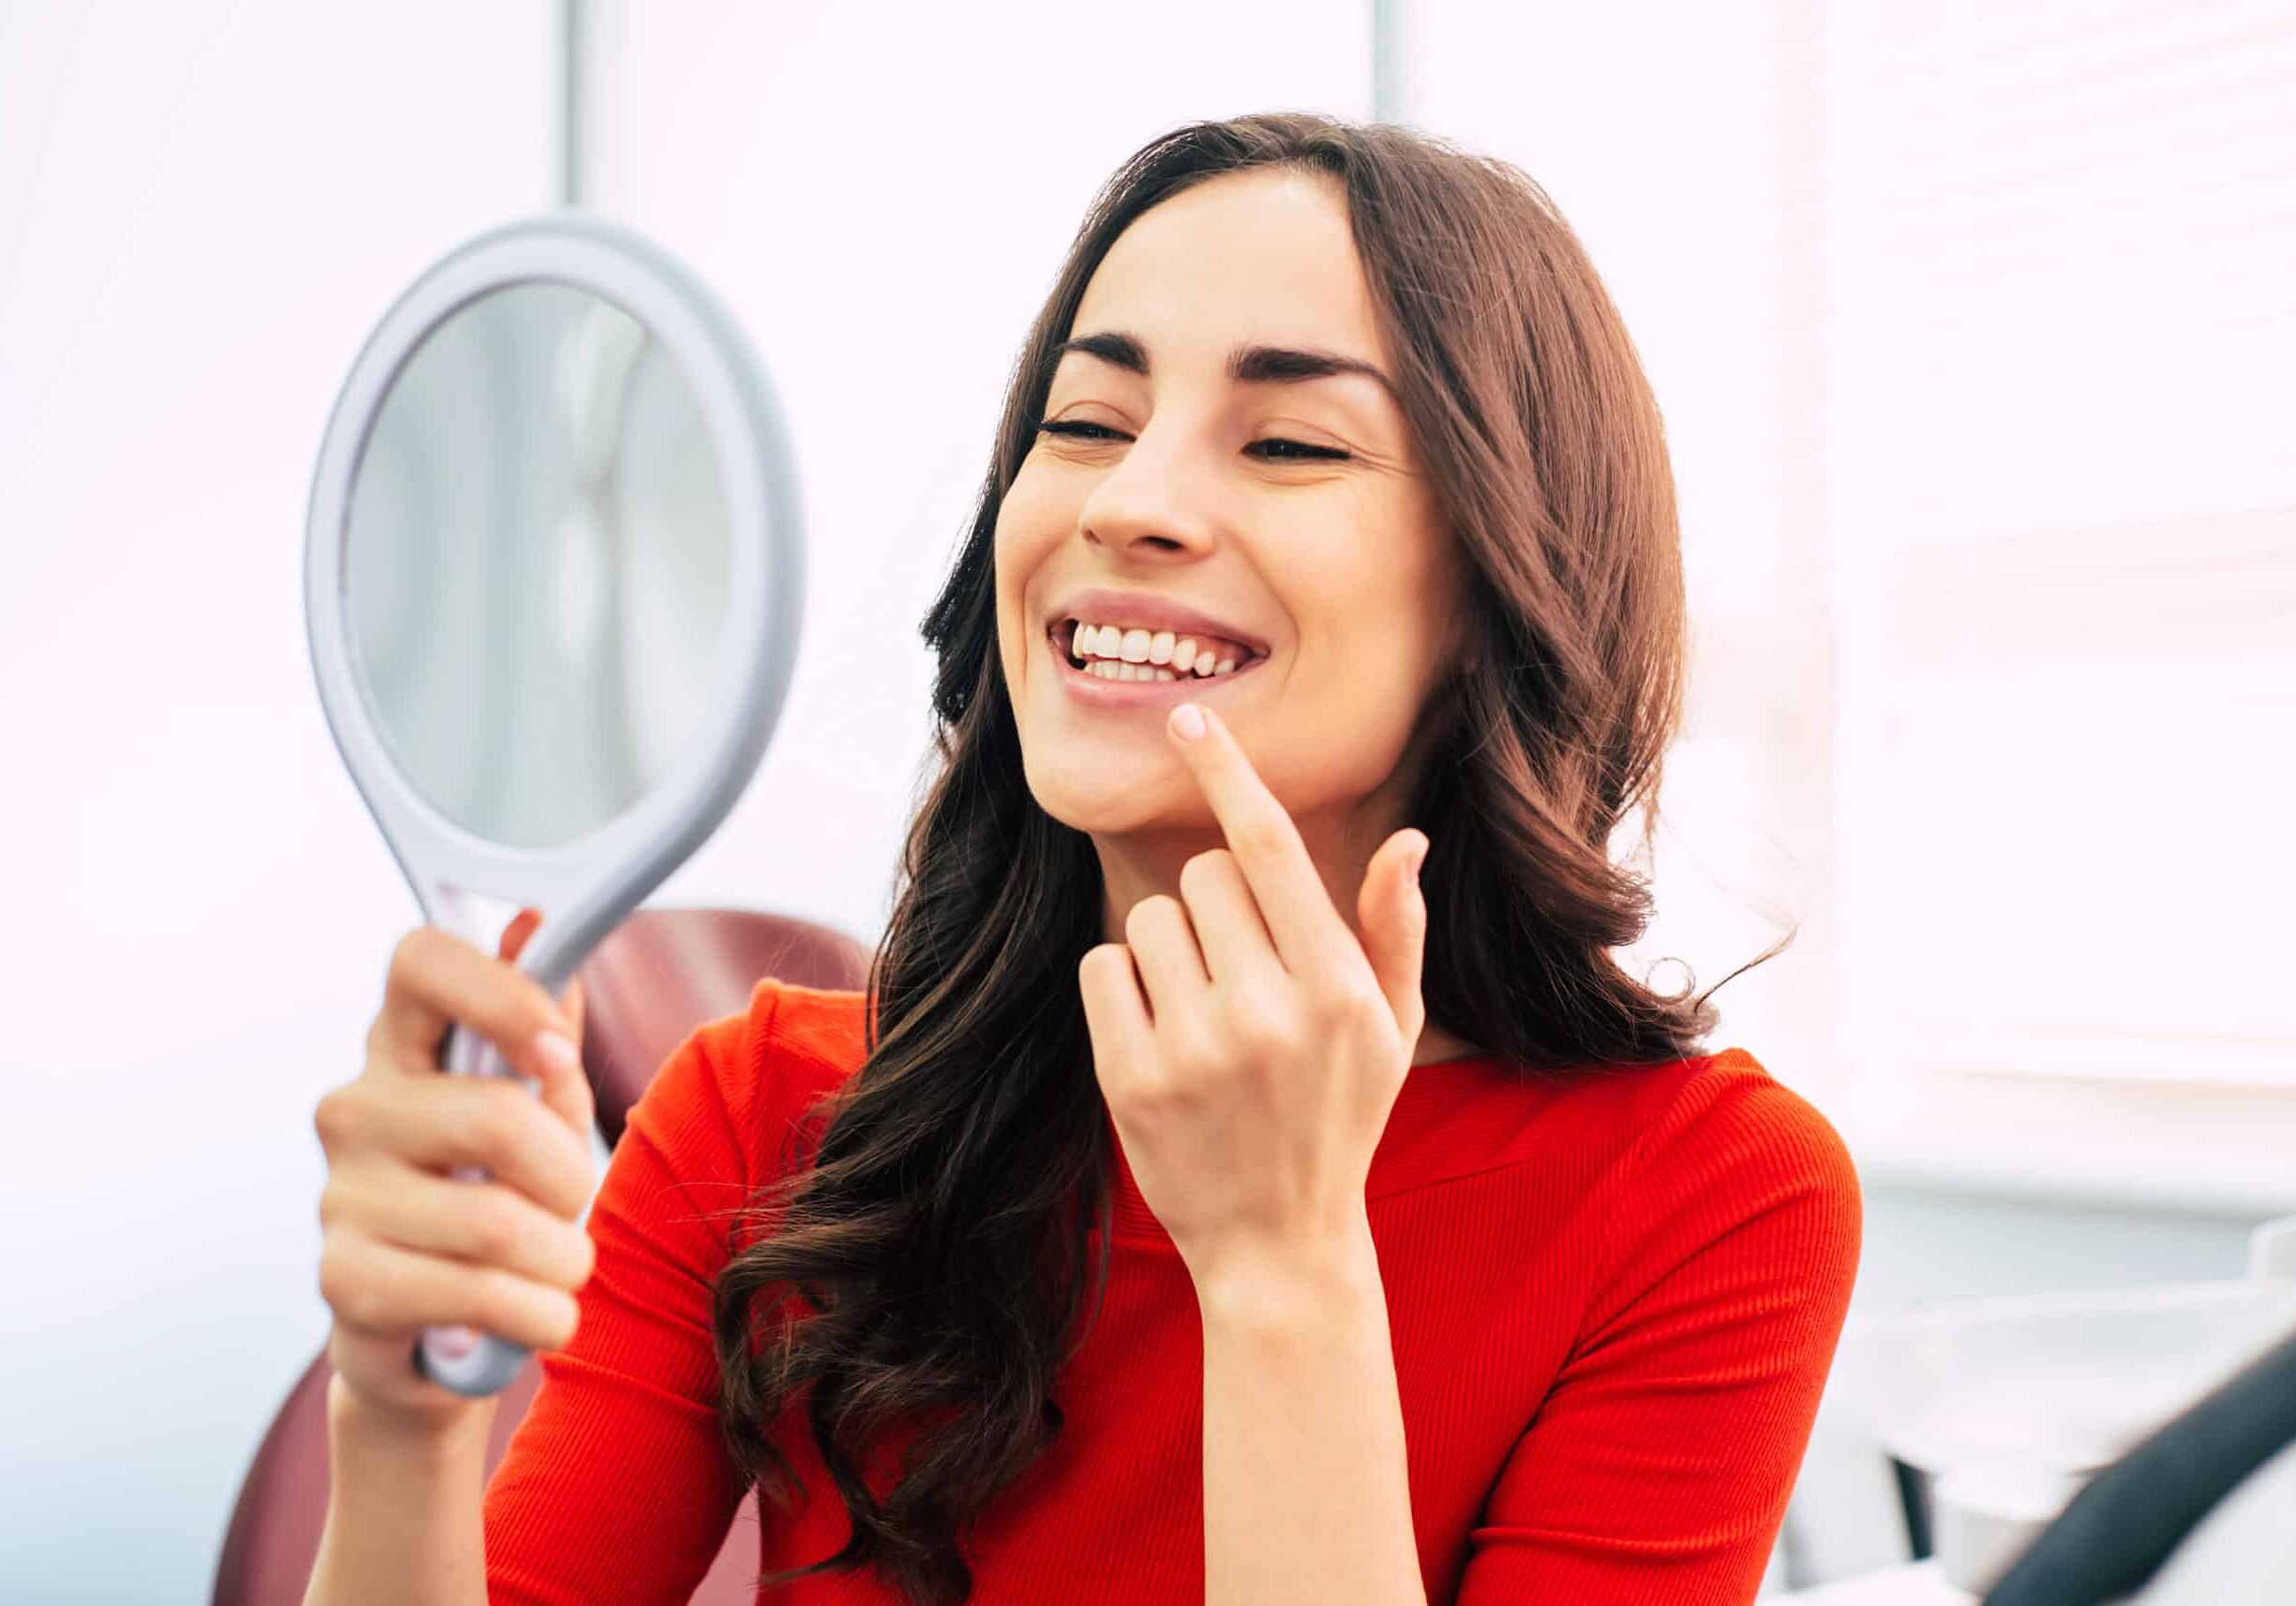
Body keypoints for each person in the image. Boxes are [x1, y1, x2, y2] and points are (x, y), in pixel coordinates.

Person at [303, 111, 1861, 1606]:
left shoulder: (1710, 1201)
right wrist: (401, 1427)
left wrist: (1278, 1268)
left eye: (1290, 442)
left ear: (1504, 582)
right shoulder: (755, 1114)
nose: (1128, 503)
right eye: (1084, 423)